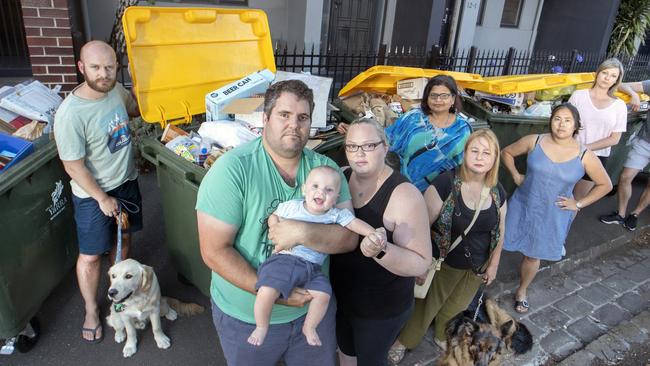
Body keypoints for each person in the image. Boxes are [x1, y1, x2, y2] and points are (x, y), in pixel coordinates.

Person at [196, 80, 358, 366]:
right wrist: (275, 292)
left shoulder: (327, 171)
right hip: (246, 317)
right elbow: (214, 251)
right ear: (265, 118)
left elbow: (348, 239)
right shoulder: (233, 171)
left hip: (312, 313)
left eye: (302, 117)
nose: (294, 125)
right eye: (284, 115)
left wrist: (301, 232)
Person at [389, 129, 508, 363]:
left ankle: (443, 333)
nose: (480, 156)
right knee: (425, 307)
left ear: (494, 159)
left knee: (458, 304)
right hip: (445, 261)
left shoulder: (497, 191)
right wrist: (419, 262)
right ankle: (403, 342)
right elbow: (421, 225)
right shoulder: (446, 183)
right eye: (474, 150)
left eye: (487, 153)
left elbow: (501, 230)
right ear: (465, 153)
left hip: (477, 266)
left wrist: (493, 264)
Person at [53, 40, 142, 344]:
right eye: (95, 67)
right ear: (81, 68)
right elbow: (73, 165)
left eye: (109, 67)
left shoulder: (115, 90)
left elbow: (133, 110)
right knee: (91, 256)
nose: (103, 73)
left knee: (124, 239)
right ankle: (91, 309)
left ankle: (121, 292)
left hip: (126, 181)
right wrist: (102, 198)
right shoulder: (70, 114)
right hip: (93, 194)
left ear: (117, 67)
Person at [330, 117, 432, 366]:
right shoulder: (340, 178)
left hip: (380, 309)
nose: (359, 153)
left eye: (368, 146)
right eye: (352, 146)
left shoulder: (404, 195)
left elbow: (420, 263)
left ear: (385, 147)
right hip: (341, 298)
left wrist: (381, 250)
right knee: (345, 354)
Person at [248, 165, 382, 347]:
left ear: (336, 198)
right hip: (285, 260)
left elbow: (354, 223)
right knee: (267, 290)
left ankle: (309, 327)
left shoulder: (335, 215)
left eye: (329, 190)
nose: (321, 193)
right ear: (304, 189)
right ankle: (261, 326)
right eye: (315, 187)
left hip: (312, 268)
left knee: (323, 294)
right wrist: (274, 226)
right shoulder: (292, 207)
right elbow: (274, 215)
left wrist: (372, 233)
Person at [502, 103, 612, 314]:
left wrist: (578, 204)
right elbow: (506, 152)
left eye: (567, 120)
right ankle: (482, 280)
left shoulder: (584, 155)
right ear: (551, 120)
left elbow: (605, 185)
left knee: (533, 255)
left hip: (552, 213)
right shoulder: (534, 140)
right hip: (523, 204)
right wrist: (516, 175)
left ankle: (522, 291)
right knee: (499, 241)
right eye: (557, 119)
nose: (561, 124)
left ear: (576, 126)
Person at [385, 75, 472, 192]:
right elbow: (386, 138)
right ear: (427, 98)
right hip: (401, 186)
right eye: (433, 95)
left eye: (444, 96)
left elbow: (463, 167)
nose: (438, 100)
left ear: (452, 99)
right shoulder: (413, 117)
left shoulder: (462, 129)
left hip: (439, 193)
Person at [569, 58, 627, 200]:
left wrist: (585, 148)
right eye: (605, 73)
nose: (607, 78)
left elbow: (615, 139)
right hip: (571, 152)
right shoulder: (579, 96)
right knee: (556, 195)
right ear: (597, 73)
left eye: (613, 76)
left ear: (616, 80)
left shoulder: (619, 106)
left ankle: (567, 223)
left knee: (577, 200)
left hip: (597, 157)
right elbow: (567, 123)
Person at [599, 80, 650, 231]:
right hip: (645, 142)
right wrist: (633, 95)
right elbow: (620, 84)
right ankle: (620, 214)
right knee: (625, 177)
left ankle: (635, 214)